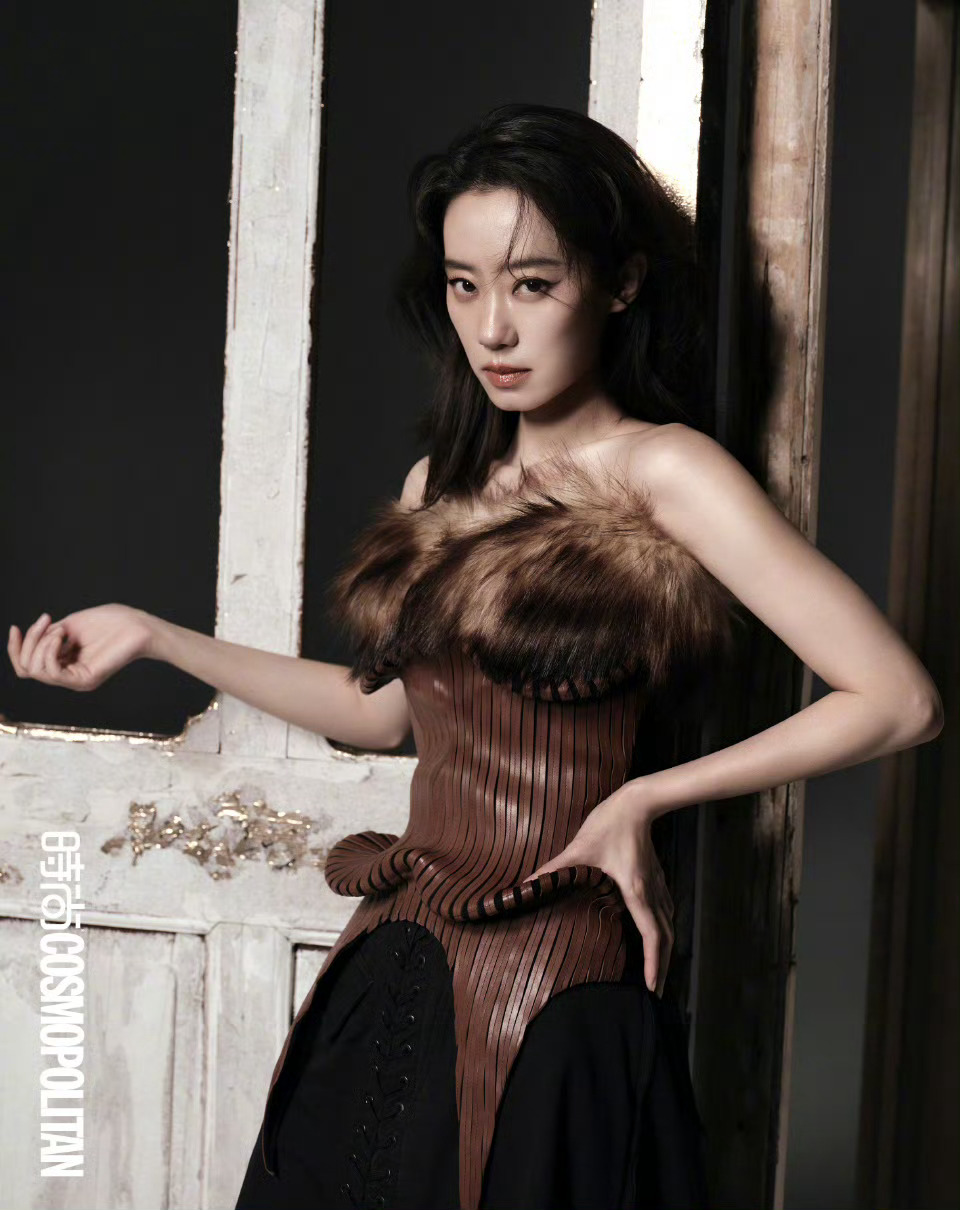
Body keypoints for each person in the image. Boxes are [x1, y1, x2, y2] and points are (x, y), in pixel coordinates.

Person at [7, 103, 943, 1210]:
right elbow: (381, 714)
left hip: (560, 975)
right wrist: (158, 638)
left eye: (532, 284)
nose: (493, 327)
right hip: (397, 949)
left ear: (621, 283)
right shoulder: (438, 488)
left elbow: (898, 698)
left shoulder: (666, 471)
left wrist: (646, 797)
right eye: (464, 285)